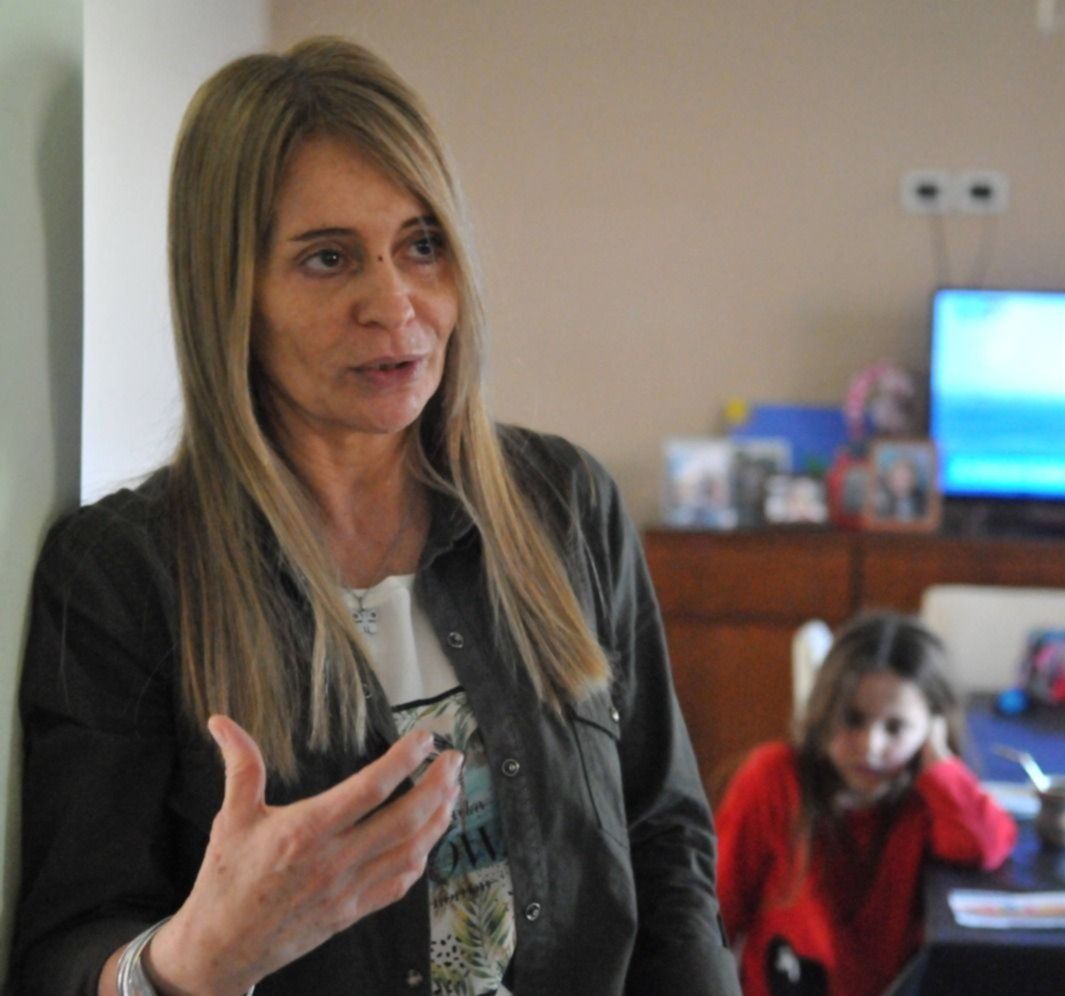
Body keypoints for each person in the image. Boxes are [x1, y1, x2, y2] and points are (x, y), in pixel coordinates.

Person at [10, 37, 737, 995]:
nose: (395, 306)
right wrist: (198, 957)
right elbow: (63, 951)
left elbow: (663, 843)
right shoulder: (124, 575)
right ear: (229, 291)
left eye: (422, 245)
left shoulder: (565, 504)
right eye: (327, 258)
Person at [714, 613, 1016, 996]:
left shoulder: (927, 797)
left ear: (931, 727)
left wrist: (940, 765)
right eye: (853, 720)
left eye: (896, 728)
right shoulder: (773, 778)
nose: (871, 746)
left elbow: (984, 843)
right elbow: (717, 907)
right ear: (823, 710)